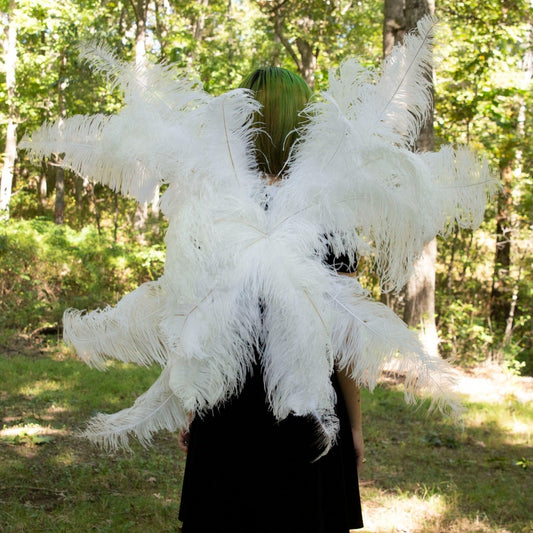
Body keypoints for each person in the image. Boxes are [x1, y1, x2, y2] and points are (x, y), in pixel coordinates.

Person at [177, 67, 365, 533]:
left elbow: (199, 319)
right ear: (305, 127)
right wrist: (356, 425)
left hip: (225, 409)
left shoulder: (217, 204)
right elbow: (343, 335)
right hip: (306, 407)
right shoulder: (327, 209)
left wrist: (192, 404)